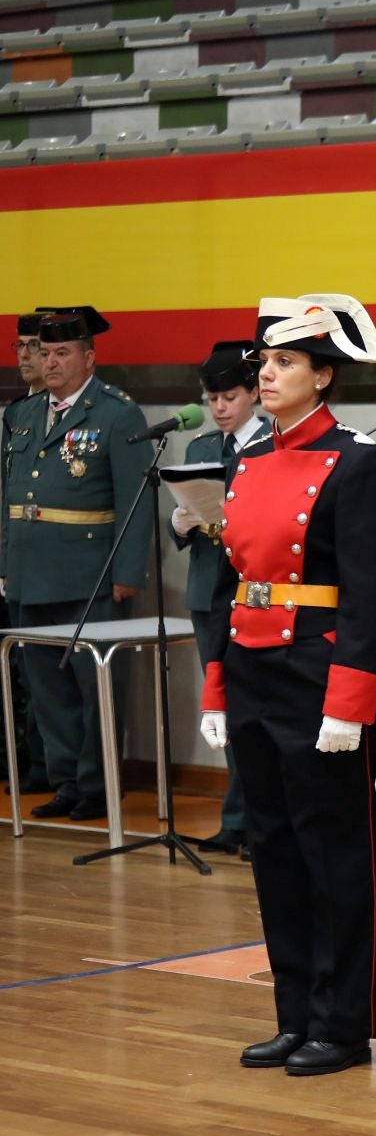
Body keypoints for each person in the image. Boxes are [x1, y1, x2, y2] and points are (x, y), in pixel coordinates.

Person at [198, 294, 376, 1077]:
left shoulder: (359, 464)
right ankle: (295, 1015)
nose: (266, 374)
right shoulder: (244, 462)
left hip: (318, 674)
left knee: (334, 853)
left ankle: (342, 1023)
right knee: (274, 849)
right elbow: (229, 584)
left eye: (284, 362)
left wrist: (349, 699)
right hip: (253, 671)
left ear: (323, 376)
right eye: (265, 362)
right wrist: (217, 687)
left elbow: (368, 594)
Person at [0, 306, 151, 823]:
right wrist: (4, 564)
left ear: (89, 357)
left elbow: (136, 500)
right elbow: (7, 499)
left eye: (62, 352)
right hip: (27, 572)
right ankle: (65, 781)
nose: (51, 361)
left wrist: (128, 573)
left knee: (94, 686)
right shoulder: (21, 414)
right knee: (45, 686)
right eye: (44, 352)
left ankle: (97, 783)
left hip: (89, 574)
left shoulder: (116, 413)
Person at [171, 341, 267, 856]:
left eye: (230, 396)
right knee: (222, 712)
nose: (220, 408)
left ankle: (261, 822)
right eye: (212, 399)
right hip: (210, 593)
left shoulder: (274, 445)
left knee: (256, 710)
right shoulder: (200, 449)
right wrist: (180, 521)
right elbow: (184, 521)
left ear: (255, 391)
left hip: (256, 593)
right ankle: (236, 819)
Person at [4, 314, 50, 793]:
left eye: (33, 346)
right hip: (20, 561)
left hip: (64, 565)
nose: (25, 356)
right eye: (20, 346)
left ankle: (58, 771)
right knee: (26, 671)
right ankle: (37, 765)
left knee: (59, 678)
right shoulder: (17, 414)